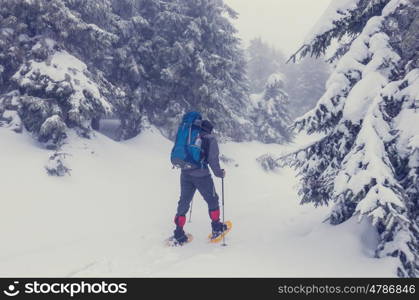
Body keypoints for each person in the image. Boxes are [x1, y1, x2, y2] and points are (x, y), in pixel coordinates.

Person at [173, 120, 227, 244]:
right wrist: (219, 173)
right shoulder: (210, 138)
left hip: (185, 173)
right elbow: (213, 159)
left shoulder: (189, 136)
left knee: (184, 201)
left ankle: (179, 232)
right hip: (202, 176)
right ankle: (216, 227)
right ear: (210, 129)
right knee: (212, 200)